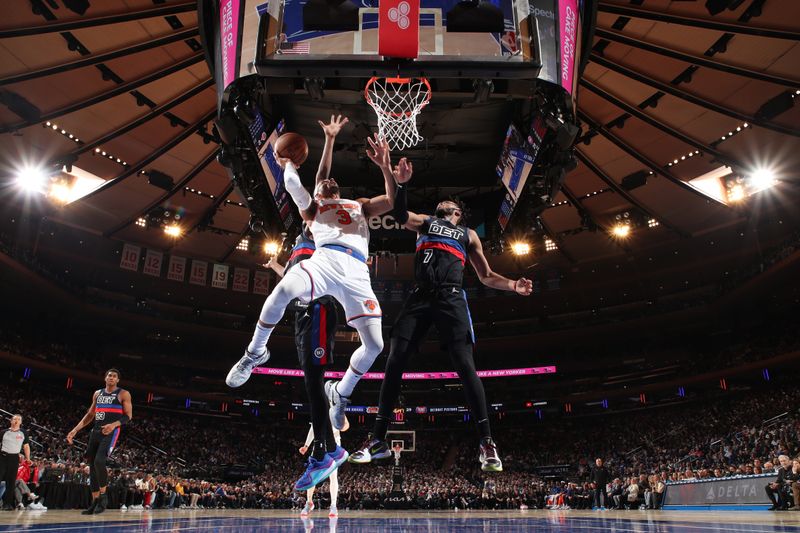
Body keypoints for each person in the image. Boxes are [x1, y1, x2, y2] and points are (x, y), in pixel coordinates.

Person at [225, 115, 404, 485]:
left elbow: (392, 200)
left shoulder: (359, 205)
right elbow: (304, 183)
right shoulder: (312, 211)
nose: (327, 182)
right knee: (284, 290)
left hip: (356, 272)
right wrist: (293, 163)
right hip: (323, 262)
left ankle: (340, 392)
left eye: (329, 182)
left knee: (376, 345)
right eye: (323, 183)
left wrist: (387, 169)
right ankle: (256, 351)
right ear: (320, 191)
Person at [349, 169, 532, 472]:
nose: (445, 204)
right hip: (420, 297)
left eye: (452, 204)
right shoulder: (425, 222)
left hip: (451, 299)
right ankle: (378, 438)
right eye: (443, 203)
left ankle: (487, 442)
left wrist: (513, 284)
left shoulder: (468, 235)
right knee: (394, 359)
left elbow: (486, 276)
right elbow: (399, 212)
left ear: (459, 213)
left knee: (465, 365)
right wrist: (402, 184)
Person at [260, 226, 343, 492]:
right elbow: (293, 279)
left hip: (317, 312)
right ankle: (331, 449)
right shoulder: (299, 246)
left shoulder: (322, 245)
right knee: (311, 385)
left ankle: (321, 453)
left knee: (314, 384)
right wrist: (276, 265)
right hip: (302, 316)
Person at [66, 368, 132, 515]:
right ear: (105, 378)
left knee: (99, 462)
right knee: (92, 466)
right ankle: (94, 501)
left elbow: (128, 416)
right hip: (95, 431)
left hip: (110, 432)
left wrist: (113, 425)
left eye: (114, 376)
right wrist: (75, 430)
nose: (111, 378)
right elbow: (90, 414)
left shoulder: (123, 394)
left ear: (118, 380)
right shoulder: (98, 393)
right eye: (109, 375)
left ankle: (103, 496)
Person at [299, 416, 349, 518]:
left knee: (333, 476)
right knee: (312, 475)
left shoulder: (336, 407)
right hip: (319, 444)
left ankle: (333, 505)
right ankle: (309, 502)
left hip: (333, 444)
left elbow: (346, 425)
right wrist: (306, 445)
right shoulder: (319, 406)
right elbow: (313, 428)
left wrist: (342, 425)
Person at [1, 415, 30, 511]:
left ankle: (7, 504)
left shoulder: (23, 433)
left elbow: (26, 446)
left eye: (18, 419)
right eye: (14, 419)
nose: (16, 421)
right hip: (3, 457)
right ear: (11, 421)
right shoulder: (4, 432)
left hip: (14, 458)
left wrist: (28, 458)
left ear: (21, 422)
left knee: (11, 482)